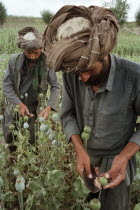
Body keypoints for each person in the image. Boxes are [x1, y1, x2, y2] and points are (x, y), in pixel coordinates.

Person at [43, 5, 140, 210]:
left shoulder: (134, 77)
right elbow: (67, 115)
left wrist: (123, 158)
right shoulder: (72, 73)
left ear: (103, 54)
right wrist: (80, 151)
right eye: (78, 73)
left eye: (88, 70)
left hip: (117, 162)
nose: (83, 78)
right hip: (85, 160)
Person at [2, 27, 61, 151]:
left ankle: (29, 162)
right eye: (29, 53)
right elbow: (6, 86)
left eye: (36, 52)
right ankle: (12, 157)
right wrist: (19, 104)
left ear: (41, 49)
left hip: (35, 106)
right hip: (15, 103)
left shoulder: (47, 63)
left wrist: (49, 106)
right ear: (23, 50)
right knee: (9, 135)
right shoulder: (14, 60)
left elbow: (55, 86)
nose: (33, 56)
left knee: (33, 138)